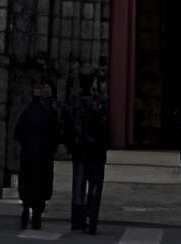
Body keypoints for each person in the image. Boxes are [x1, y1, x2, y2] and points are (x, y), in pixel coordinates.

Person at [64, 72, 110, 235]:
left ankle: (81, 221)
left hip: (85, 152)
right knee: (90, 188)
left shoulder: (80, 104)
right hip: (91, 152)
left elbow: (70, 127)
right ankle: (90, 221)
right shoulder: (99, 104)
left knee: (82, 188)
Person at [13, 79, 62, 231]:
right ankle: (36, 215)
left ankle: (27, 209)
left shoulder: (28, 111)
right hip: (43, 156)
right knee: (41, 187)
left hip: (29, 155)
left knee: (28, 185)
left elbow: (17, 132)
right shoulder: (49, 113)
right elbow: (56, 135)